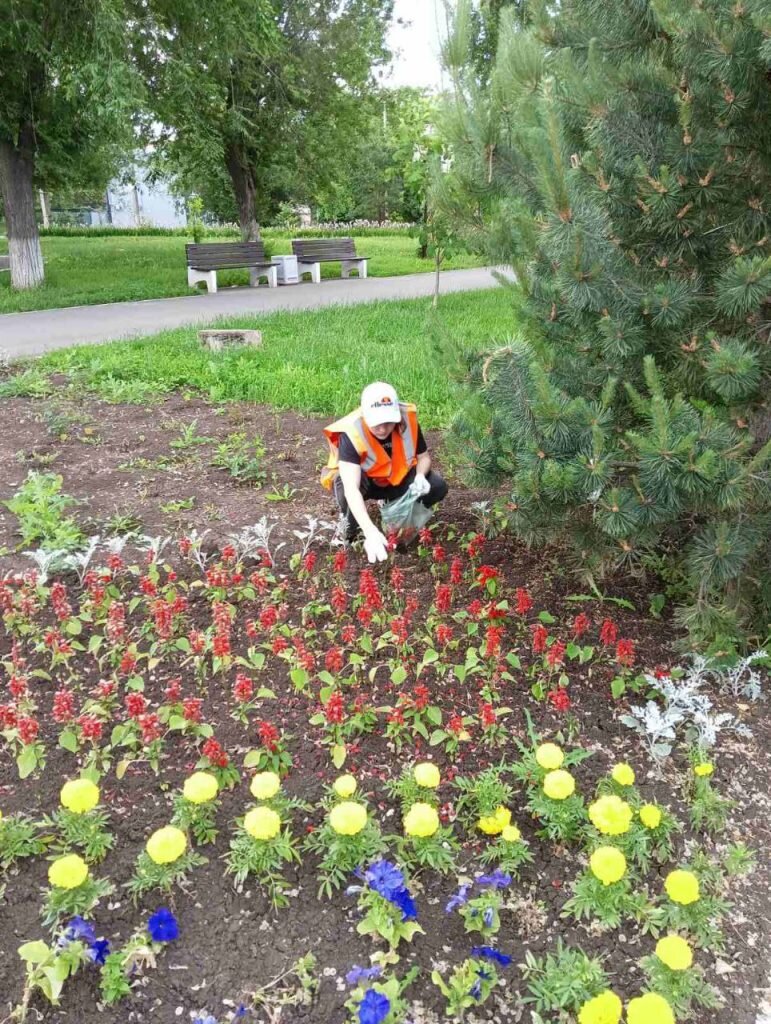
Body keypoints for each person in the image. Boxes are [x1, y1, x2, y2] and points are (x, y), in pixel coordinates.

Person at [320, 381, 448, 562]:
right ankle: (348, 527)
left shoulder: (407, 421)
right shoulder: (352, 433)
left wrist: (419, 476)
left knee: (436, 486)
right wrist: (370, 531)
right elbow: (351, 488)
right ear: (365, 416)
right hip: (365, 482)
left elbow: (424, 457)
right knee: (343, 486)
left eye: (388, 422)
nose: (383, 428)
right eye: (376, 423)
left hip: (393, 479)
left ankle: (394, 515)